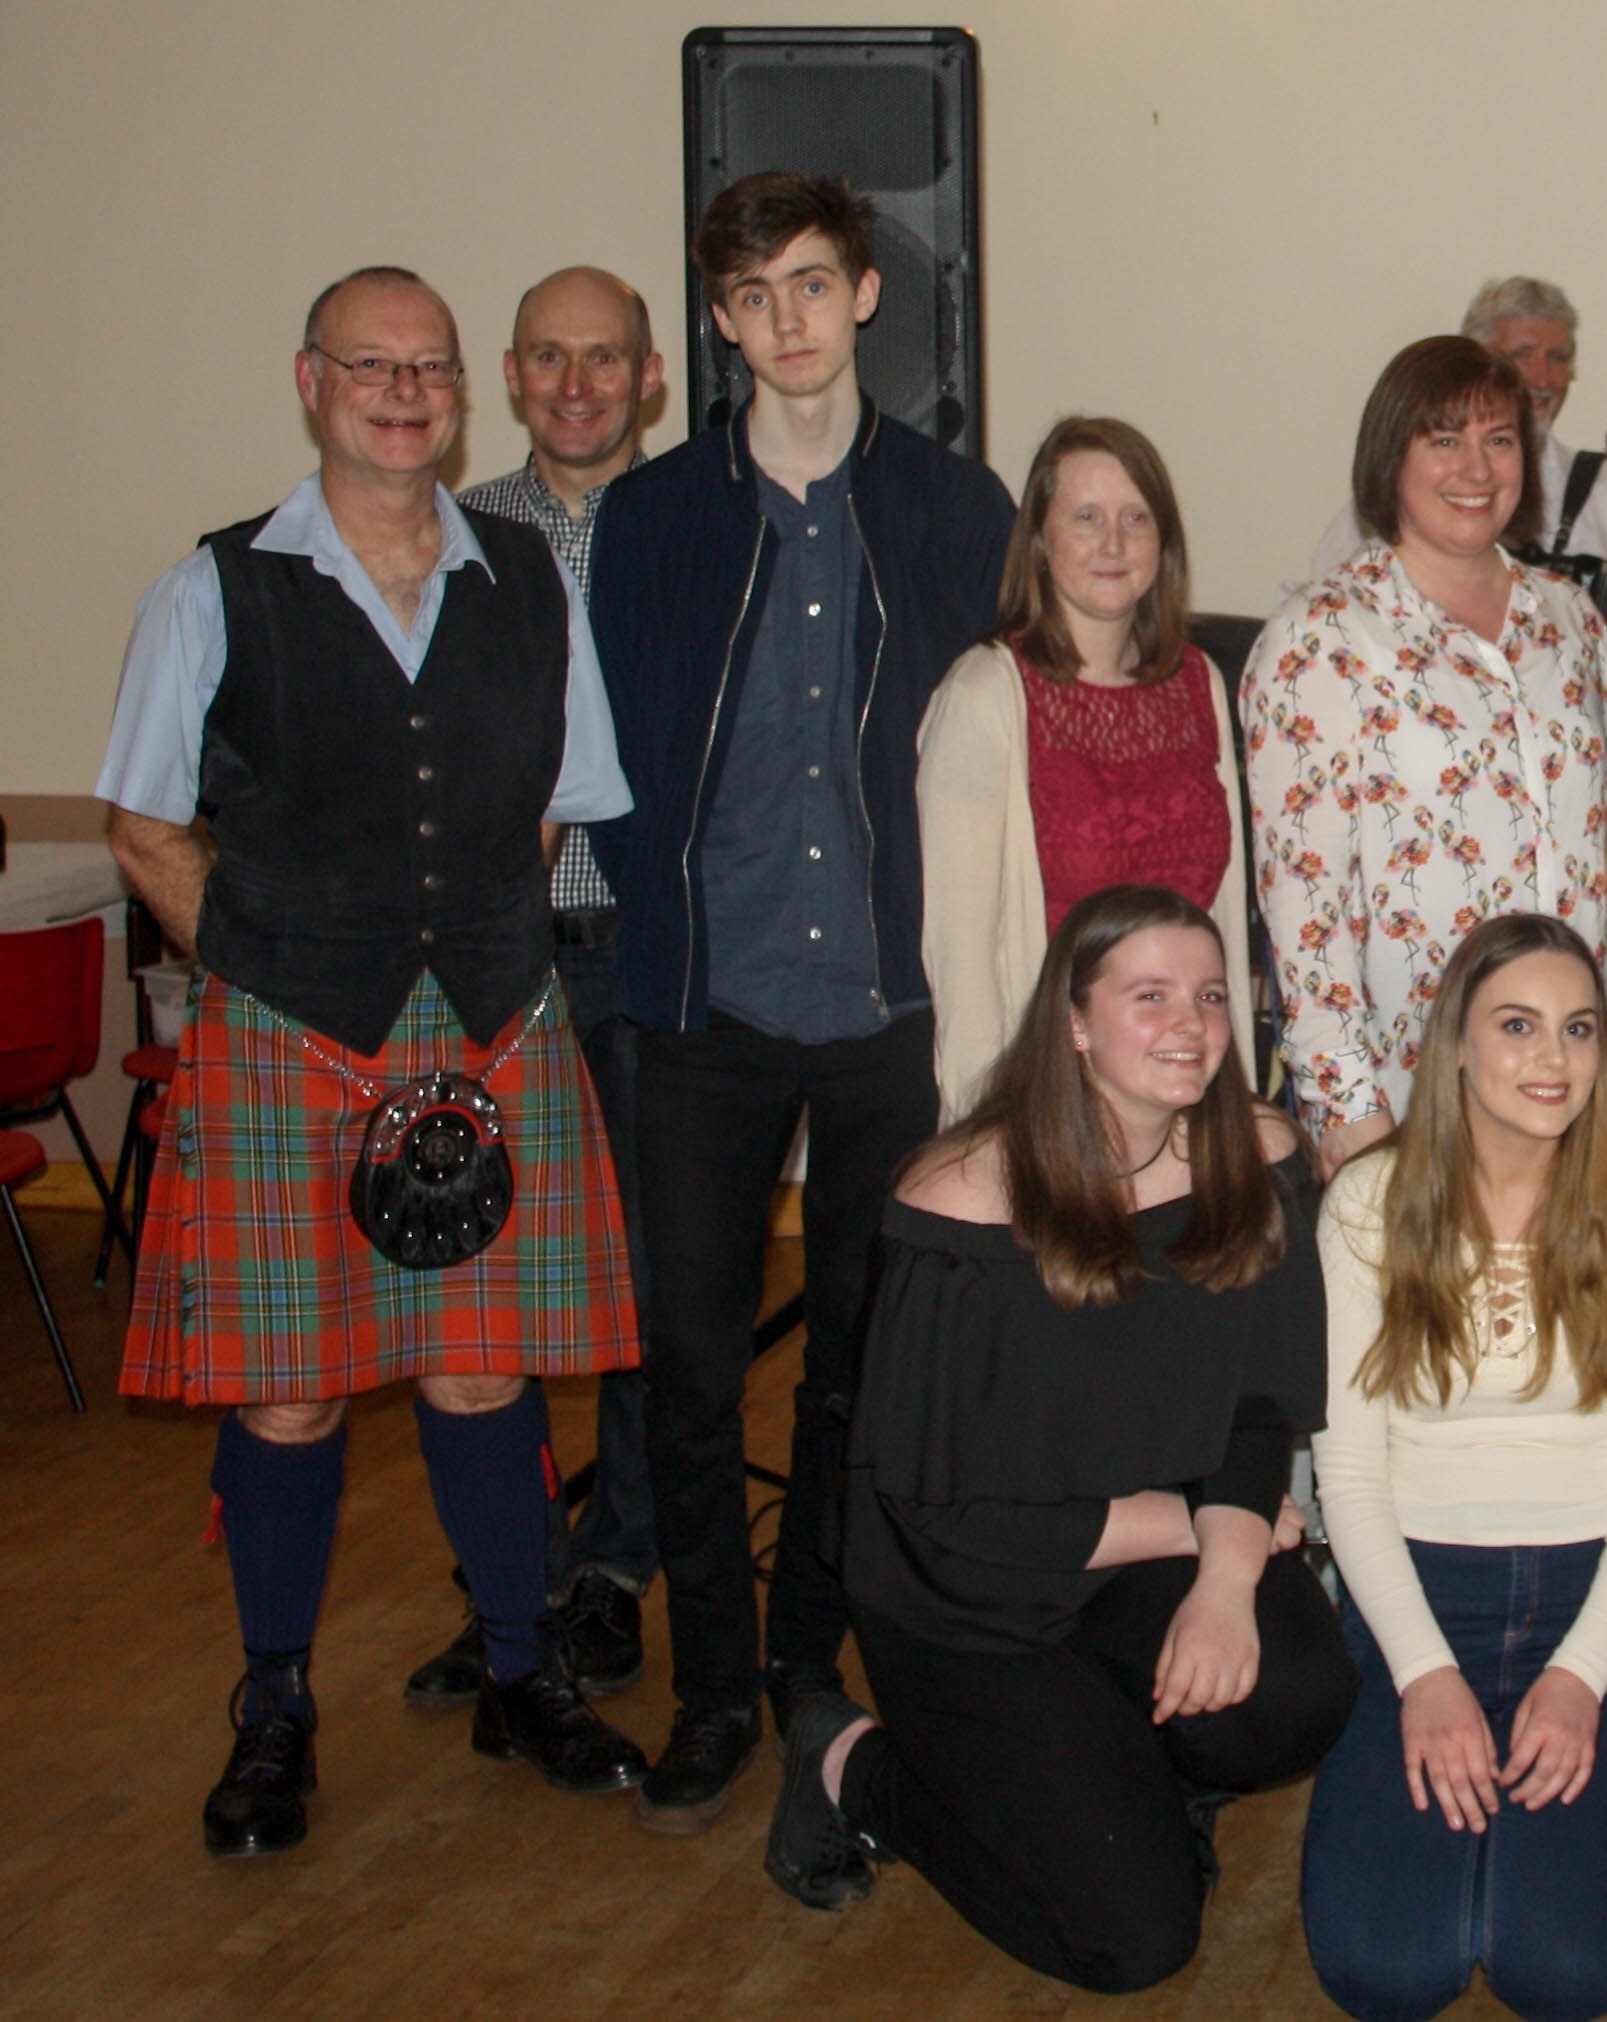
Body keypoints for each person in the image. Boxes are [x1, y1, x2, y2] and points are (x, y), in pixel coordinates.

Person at [96, 265, 649, 1855]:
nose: (404, 392)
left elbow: (555, 794)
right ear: (311, 381)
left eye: (429, 369)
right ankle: (272, 1702)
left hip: (481, 1013)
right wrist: (272, 972)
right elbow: (140, 820)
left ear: (457, 395)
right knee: (286, 1397)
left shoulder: (529, 579)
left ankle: (523, 1672)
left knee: (483, 1368)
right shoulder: (216, 585)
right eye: (372, 366)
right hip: (285, 1027)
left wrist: (452, 939)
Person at [587, 171, 1015, 1861]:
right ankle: (706, 1690)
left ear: (865, 301)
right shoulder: (657, 516)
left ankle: (805, 1665)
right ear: (718, 319)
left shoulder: (955, 507)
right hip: (703, 1005)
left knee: (856, 1367)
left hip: (887, 1017)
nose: (785, 318)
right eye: (752, 291)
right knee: (687, 1366)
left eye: (813, 283)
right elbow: (613, 747)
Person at [758, 885, 1356, 1991]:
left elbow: (1260, 1406)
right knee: (1133, 1943)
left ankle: (1110, 1765)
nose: (1191, 1025)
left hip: (1129, 1563)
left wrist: (1223, 1586)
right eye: (1149, 997)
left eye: (1212, 996)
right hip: (971, 1603)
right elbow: (940, 1523)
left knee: (1299, 1695)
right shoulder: (961, 1203)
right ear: (1073, 1022)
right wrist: (1198, 1526)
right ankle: (851, 1764)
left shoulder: (1258, 1154)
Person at [1299, 913, 1607, 2022]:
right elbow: (1352, 1476)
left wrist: (1579, 1676)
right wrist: (1423, 1674)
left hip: (1599, 1597)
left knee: (1562, 1978)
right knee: (1385, 1974)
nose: (1552, 1059)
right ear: (1455, 1048)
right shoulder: (1366, 1208)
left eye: (1578, 1029)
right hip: (1417, 1593)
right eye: (1516, 1026)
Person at [402, 264, 667, 1708]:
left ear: (649, 379)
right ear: (508, 375)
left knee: (630, 1284)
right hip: (483, 961)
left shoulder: (692, 521)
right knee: (477, 1289)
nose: (577, 384)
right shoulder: (443, 536)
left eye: (605, 359)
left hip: (638, 949)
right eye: (550, 359)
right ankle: (510, 1584)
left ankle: (615, 1564)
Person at [1242, 334, 1607, 1182]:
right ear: (1391, 456)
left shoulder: (1571, 621)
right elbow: (1301, 906)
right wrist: (1347, 1106)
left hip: (1567, 1084)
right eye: (1444, 439)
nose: (1477, 467)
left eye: (1499, 439)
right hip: (1408, 1091)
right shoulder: (1318, 639)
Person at [921, 415, 1252, 1120]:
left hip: (1184, 1086)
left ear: (1162, 541)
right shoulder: (984, 694)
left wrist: (1234, 1093)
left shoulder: (1198, 682)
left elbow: (1221, 915)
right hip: (1051, 1099)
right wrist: (985, 1122)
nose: (1112, 543)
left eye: (1135, 518)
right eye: (1085, 517)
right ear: (1040, 541)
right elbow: (961, 952)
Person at [1311, 277, 1607, 582]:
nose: (1541, 379)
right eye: (1522, 355)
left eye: (1557, 359)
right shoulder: (1409, 491)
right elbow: (1322, 599)